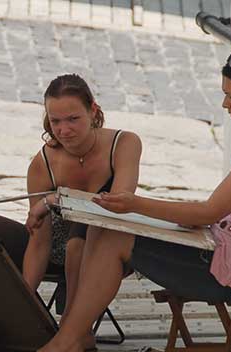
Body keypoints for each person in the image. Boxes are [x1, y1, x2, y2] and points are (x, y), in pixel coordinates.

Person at [9, 46, 231, 352]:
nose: (225, 104)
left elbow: (208, 212)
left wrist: (136, 204)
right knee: (103, 228)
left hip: (228, 272)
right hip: (221, 251)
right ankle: (75, 338)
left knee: (112, 238)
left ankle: (66, 344)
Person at [22, 75, 142, 333]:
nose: (64, 130)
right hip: (61, 249)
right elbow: (39, 241)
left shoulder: (125, 143)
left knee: (81, 239)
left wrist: (54, 199)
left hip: (112, 244)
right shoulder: (43, 164)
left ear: (93, 111)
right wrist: (24, 301)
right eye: (55, 121)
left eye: (73, 119)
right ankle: (75, 335)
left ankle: (72, 332)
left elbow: (117, 203)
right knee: (73, 242)